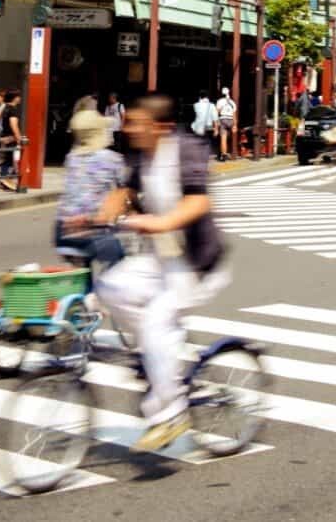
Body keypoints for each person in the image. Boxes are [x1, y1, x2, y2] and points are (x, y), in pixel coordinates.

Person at [95, 94, 228, 452]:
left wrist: (162, 221)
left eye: (137, 122)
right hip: (160, 260)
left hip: (197, 263)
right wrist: (99, 215)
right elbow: (124, 191)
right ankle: (157, 359)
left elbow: (199, 199)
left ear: (162, 127)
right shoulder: (140, 155)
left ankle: (171, 413)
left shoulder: (187, 150)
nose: (130, 128)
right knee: (110, 286)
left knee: (157, 321)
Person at [56, 109, 126, 282]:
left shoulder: (71, 158)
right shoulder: (112, 159)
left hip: (63, 229)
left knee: (83, 276)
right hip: (93, 227)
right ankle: (102, 295)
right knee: (122, 264)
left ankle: (86, 299)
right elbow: (125, 190)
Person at [0, 89, 23, 191]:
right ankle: (6, 180)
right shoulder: (13, 110)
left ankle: (4, 182)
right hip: (10, 137)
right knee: (11, 160)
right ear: (15, 98)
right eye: (18, 96)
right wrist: (19, 138)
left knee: (6, 160)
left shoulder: (5, 108)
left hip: (5, 136)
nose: (20, 98)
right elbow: (14, 125)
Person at [214, 88, 236, 162]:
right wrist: (235, 125)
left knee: (223, 139)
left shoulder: (219, 101)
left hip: (223, 119)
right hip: (231, 121)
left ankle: (224, 156)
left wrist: (216, 128)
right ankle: (229, 153)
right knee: (228, 138)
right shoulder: (232, 102)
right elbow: (234, 115)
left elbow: (216, 114)